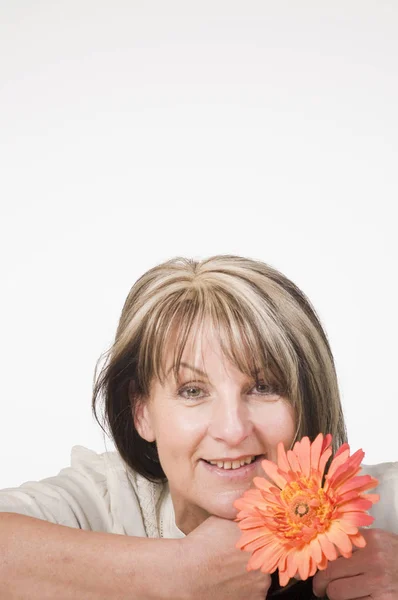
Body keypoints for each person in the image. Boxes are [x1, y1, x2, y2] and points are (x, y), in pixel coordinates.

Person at [0, 255, 397, 599]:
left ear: (308, 398)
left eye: (263, 387)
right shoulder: (105, 499)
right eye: (192, 391)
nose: (232, 430)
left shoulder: (383, 507)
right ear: (142, 412)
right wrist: (177, 574)